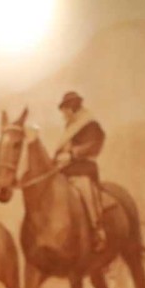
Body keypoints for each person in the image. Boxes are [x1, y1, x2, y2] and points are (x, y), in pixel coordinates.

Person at [53, 90, 106, 250]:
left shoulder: (90, 124)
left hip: (84, 169)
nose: (63, 114)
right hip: (66, 169)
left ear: (72, 108)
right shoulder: (70, 127)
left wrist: (72, 154)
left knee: (84, 188)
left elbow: (94, 144)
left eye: (65, 110)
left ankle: (97, 230)